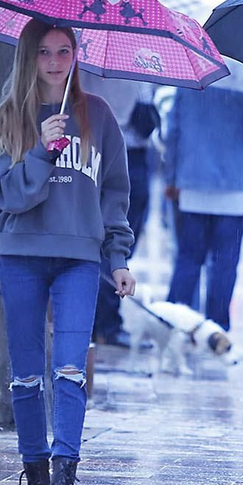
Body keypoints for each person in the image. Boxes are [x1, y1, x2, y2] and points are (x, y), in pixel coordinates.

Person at [0, 21, 134, 485]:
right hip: (22, 254)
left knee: (71, 368)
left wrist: (119, 259)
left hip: (80, 256)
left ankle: (66, 479)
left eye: (64, 50)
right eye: (44, 52)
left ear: (76, 54)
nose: (54, 61)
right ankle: (36, 484)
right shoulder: (9, 117)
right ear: (29, 57)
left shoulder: (99, 116)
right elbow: (8, 197)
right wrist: (40, 151)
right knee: (26, 375)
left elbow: (115, 195)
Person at [164, 85, 243, 331]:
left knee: (188, 260)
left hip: (193, 183)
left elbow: (173, 132)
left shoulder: (192, 78)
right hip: (236, 189)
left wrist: (171, 177)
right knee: (225, 263)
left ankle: (174, 325)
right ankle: (216, 329)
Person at [87, 75, 157, 346]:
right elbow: (145, 120)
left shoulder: (89, 58)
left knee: (110, 239)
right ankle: (105, 323)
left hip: (98, 151)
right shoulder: (134, 61)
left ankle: (100, 320)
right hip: (121, 152)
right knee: (117, 239)